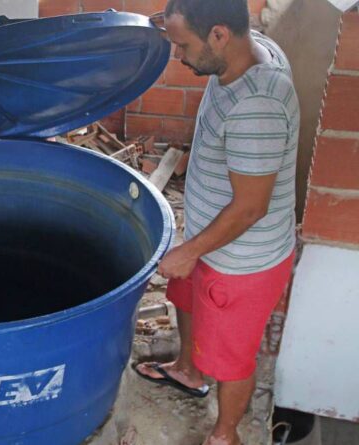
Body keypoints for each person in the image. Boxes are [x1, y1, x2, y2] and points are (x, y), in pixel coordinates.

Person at [134, 1, 299, 444]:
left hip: (241, 262)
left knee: (231, 358)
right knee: (186, 297)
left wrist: (189, 251)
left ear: (219, 35)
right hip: (212, 239)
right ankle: (188, 370)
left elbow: (250, 207)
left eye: (183, 46)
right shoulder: (245, 49)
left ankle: (225, 434)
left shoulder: (257, 106)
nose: (178, 55)